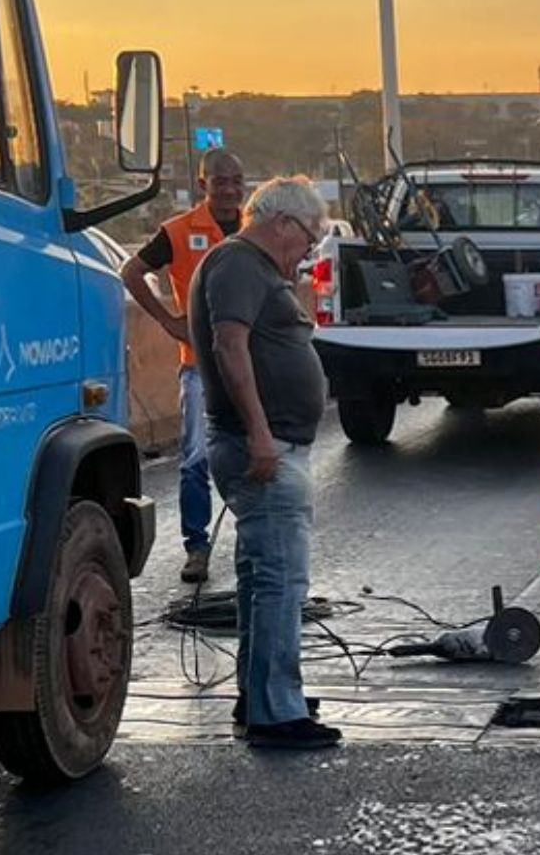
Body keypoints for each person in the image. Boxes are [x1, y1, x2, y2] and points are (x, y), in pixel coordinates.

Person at [190, 176, 339, 752]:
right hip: (263, 446)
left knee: (260, 580)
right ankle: (277, 714)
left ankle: (262, 694)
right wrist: (258, 434)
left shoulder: (247, 266)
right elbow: (231, 346)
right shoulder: (239, 265)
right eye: (310, 236)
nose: (309, 250)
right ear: (283, 223)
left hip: (268, 441)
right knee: (280, 582)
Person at [122, 148, 247, 583]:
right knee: (196, 458)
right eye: (220, 182)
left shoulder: (258, 228)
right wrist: (168, 320)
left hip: (252, 364)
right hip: (200, 366)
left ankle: (253, 543)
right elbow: (131, 271)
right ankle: (197, 547)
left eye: (237, 181)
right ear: (203, 185)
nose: (230, 190)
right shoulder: (178, 232)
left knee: (257, 454)